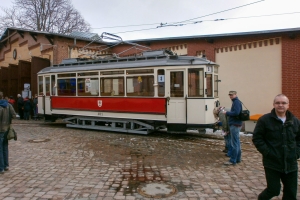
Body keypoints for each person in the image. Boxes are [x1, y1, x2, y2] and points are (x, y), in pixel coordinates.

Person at [252, 94, 300, 200]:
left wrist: (296, 153)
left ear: (288, 105)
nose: (280, 105)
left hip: (290, 163)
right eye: (278, 103)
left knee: (291, 193)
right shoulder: (265, 120)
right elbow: (257, 138)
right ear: (274, 104)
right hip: (272, 162)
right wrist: (267, 152)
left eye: (283, 103)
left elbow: (298, 139)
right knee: (273, 190)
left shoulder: (294, 121)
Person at [223, 91, 242, 165]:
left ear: (235, 95)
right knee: (237, 142)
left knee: (234, 143)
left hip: (235, 124)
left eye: (232, 95)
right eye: (230, 95)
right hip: (236, 124)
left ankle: (233, 160)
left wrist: (227, 113)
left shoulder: (236, 102)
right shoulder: (236, 102)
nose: (231, 96)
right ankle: (238, 158)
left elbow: (236, 112)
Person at [0, 92, 17, 173]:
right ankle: (6, 165)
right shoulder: (8, 105)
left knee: (0, 148)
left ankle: (1, 168)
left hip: (0, 129)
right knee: (5, 147)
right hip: (7, 128)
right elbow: (14, 115)